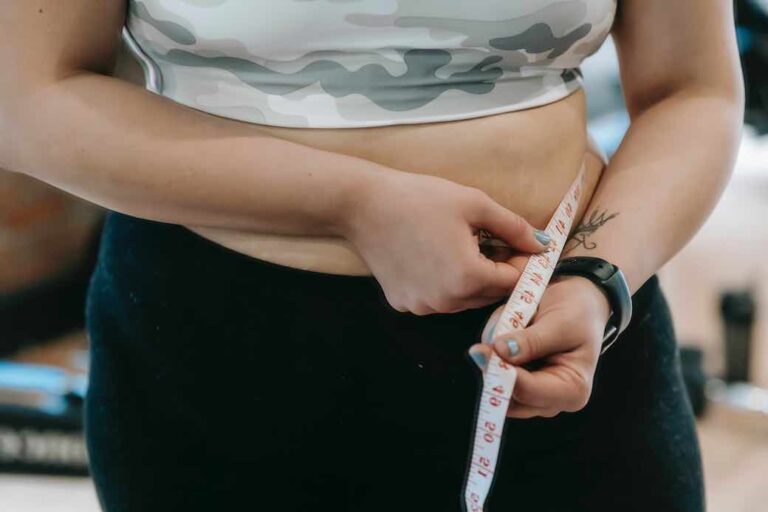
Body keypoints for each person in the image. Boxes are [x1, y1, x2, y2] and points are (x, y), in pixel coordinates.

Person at [0, 1, 743, 511]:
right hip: (222, 355)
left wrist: (595, 278)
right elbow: (27, 97)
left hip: (565, 338)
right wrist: (351, 204)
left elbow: (694, 90)